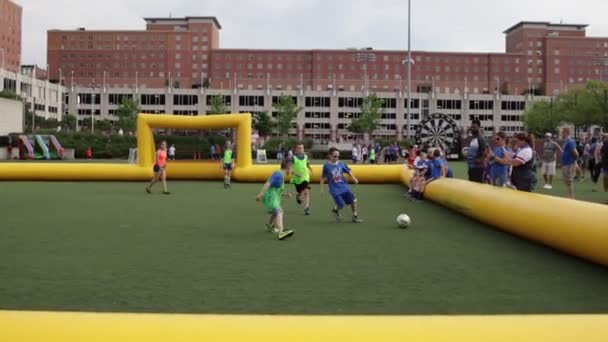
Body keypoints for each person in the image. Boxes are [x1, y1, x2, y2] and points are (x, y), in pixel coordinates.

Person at [321, 147, 363, 223]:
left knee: (353, 200)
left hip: (344, 187)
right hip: (334, 189)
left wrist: (353, 178)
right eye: (335, 156)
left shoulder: (341, 164)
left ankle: (355, 216)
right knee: (341, 205)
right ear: (330, 156)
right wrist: (322, 189)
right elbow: (323, 178)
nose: (337, 158)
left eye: (338, 156)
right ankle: (336, 210)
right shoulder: (326, 166)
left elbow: (348, 171)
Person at [255, 160, 295, 241]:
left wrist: (285, 194)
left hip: (274, 196)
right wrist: (261, 194)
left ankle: (270, 226)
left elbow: (275, 188)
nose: (292, 171)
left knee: (276, 212)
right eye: (291, 169)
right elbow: (268, 183)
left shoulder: (281, 175)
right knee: (279, 211)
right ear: (288, 168)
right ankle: (281, 232)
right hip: (271, 196)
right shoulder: (279, 175)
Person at [291, 143, 313, 216]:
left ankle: (306, 208)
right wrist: (296, 173)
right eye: (299, 148)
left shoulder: (306, 156)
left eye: (302, 148)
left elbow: (307, 164)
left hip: (305, 177)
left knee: (306, 191)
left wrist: (310, 168)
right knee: (299, 192)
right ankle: (298, 196)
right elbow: (289, 168)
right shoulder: (293, 158)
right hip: (297, 178)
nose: (301, 150)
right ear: (296, 150)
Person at [561, 128, 579, 199]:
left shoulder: (570, 141)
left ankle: (571, 198)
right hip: (566, 164)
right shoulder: (566, 141)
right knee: (567, 181)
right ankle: (568, 196)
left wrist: (573, 161)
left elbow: (576, 153)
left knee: (569, 181)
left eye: (562, 132)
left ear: (566, 133)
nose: (562, 134)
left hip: (569, 164)